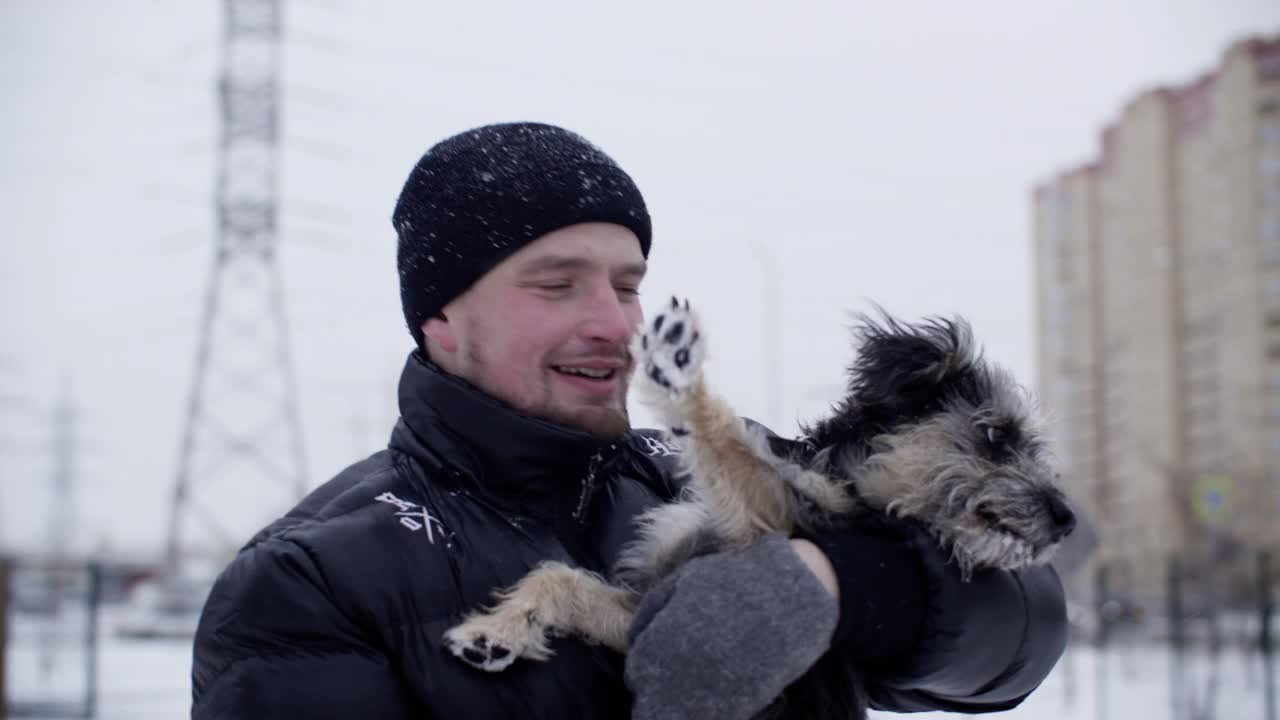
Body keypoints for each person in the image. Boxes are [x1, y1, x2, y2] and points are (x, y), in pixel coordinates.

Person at [190, 122, 1068, 719]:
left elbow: (1022, 627)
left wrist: (846, 583)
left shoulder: (684, 458)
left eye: (627, 284)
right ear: (441, 320)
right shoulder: (308, 583)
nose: (614, 323)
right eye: (556, 282)